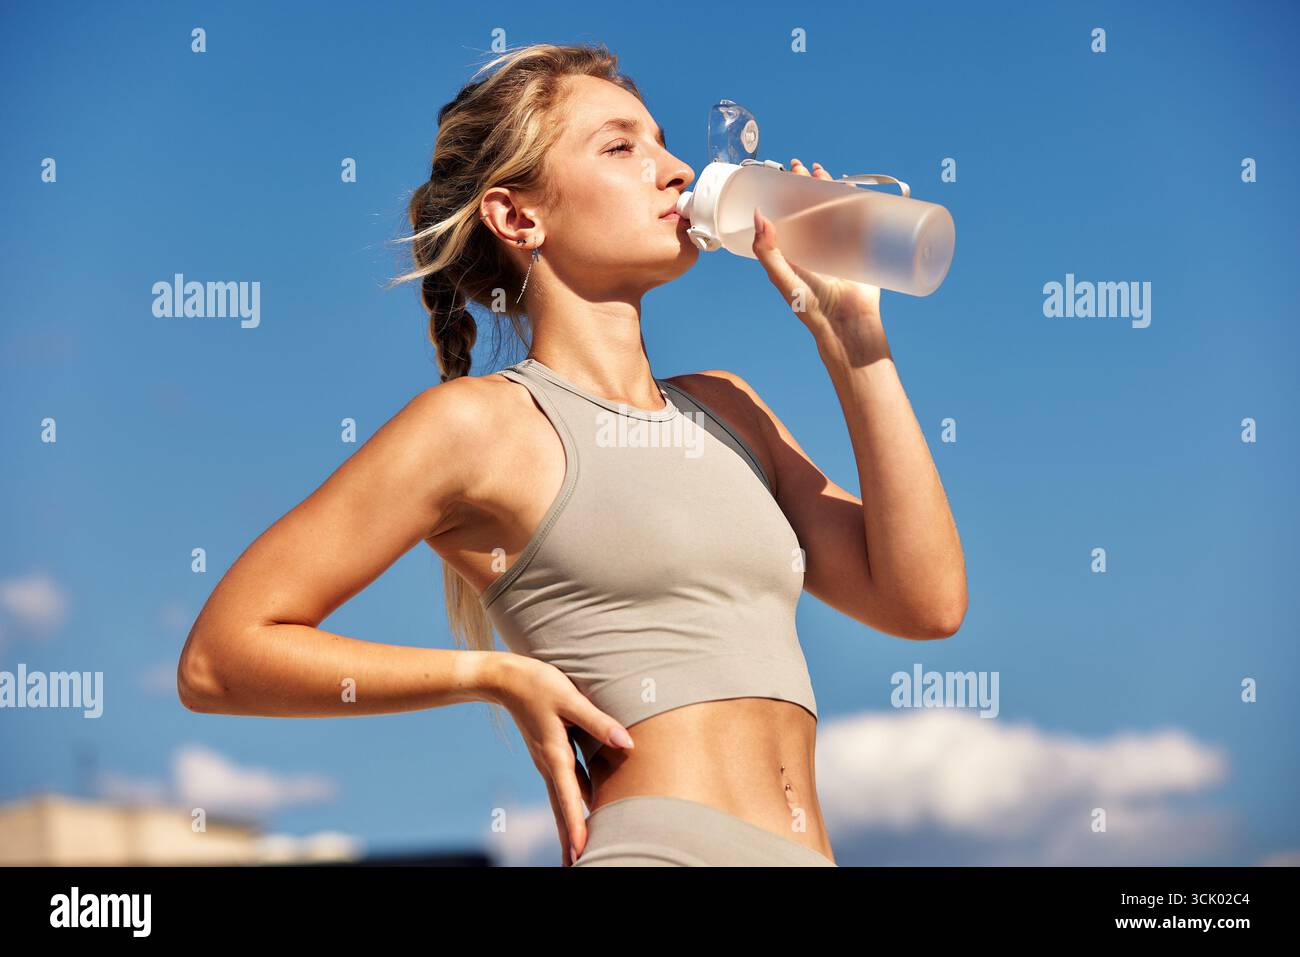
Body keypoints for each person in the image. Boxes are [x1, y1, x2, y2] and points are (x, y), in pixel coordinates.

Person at [177, 41, 967, 867]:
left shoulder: (731, 409)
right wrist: (492, 676)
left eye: (663, 142)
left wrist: (852, 339)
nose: (674, 171)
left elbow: (927, 603)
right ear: (519, 217)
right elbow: (220, 655)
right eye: (621, 147)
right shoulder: (480, 426)